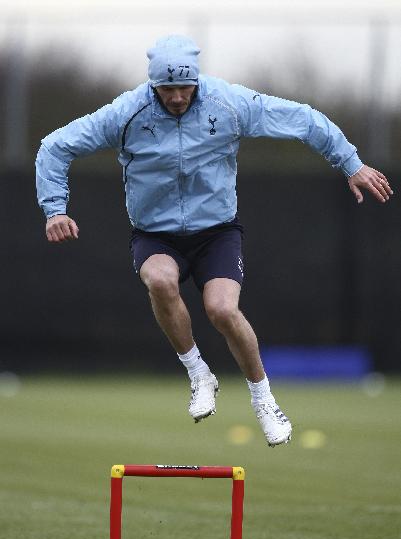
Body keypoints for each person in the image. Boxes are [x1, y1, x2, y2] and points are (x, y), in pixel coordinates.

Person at [36, 35, 393, 448]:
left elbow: (303, 120)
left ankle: (264, 400)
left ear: (197, 81)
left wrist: (350, 163)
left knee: (222, 310)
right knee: (160, 281)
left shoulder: (229, 103)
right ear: (152, 86)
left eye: (183, 87)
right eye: (165, 89)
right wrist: (55, 209)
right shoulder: (126, 113)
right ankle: (198, 374)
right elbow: (54, 147)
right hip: (155, 233)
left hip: (216, 232)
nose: (175, 97)